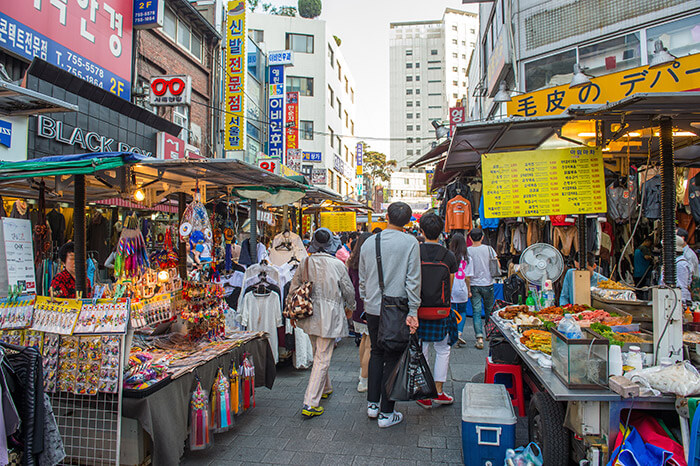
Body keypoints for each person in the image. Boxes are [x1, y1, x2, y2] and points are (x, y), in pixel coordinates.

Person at [359, 202, 421, 428]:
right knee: (393, 357)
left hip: (374, 307)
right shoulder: (411, 242)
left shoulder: (369, 242)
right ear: (408, 221)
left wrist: (367, 298)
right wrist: (414, 310)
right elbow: (413, 280)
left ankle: (372, 405)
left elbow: (363, 278)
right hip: (398, 309)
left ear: (386, 216)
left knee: (376, 352)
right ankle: (387, 413)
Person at [290, 229, 356, 418]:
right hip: (329, 315)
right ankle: (310, 403)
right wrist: (351, 306)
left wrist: (293, 314)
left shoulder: (305, 262)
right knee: (322, 357)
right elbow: (348, 290)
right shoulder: (337, 264)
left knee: (318, 353)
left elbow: (294, 288)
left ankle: (325, 388)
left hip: (308, 313)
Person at [415, 213, 458, 409]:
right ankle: (439, 391)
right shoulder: (448, 256)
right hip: (441, 310)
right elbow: (450, 284)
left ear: (421, 231)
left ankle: (423, 392)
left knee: (421, 350)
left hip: (418, 308)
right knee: (443, 349)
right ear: (441, 231)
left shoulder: (414, 252)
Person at [347, 232, 372, 392]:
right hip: (368, 304)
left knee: (364, 339)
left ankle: (362, 373)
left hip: (357, 304)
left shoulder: (351, 262)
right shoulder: (370, 262)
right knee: (370, 343)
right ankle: (364, 379)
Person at [467, 228, 497, 349]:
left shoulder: (468, 251)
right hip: (488, 283)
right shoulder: (489, 249)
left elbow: (466, 270)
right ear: (482, 237)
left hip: (474, 284)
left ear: (470, 238)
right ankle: (489, 333)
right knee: (490, 309)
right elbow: (497, 264)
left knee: (476, 311)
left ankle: (479, 337)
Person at [449, 232, 472, 347]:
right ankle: (459, 332)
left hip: (451, 288)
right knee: (462, 311)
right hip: (462, 289)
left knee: (452, 312)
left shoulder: (448, 256)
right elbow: (467, 277)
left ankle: (452, 333)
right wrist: (469, 290)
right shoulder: (468, 259)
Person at [660, 236, 693, 303]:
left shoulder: (680, 264)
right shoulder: (673, 263)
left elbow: (682, 286)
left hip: (676, 300)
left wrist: (681, 303)